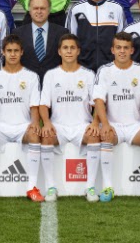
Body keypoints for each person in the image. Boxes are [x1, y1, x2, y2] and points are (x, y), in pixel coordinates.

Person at [0, 35, 44, 203]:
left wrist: (35, 123)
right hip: (0, 127)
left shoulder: (32, 77)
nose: (12, 54)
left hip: (23, 126)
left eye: (16, 51)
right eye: (9, 51)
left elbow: (34, 106)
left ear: (22, 52)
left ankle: (32, 188)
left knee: (35, 133)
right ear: (2, 53)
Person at [93, 32, 140, 203]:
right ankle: (107, 187)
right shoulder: (104, 71)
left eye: (126, 48)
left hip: (135, 125)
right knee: (105, 136)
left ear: (132, 50)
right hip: (113, 125)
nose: (122, 51)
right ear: (112, 50)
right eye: (118, 47)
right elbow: (99, 101)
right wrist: (105, 124)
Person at [38, 33, 100, 202]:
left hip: (82, 125)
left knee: (94, 135)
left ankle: (90, 188)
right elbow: (43, 105)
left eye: (72, 48)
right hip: (58, 126)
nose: (69, 51)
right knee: (46, 136)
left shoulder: (88, 75)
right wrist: (47, 123)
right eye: (65, 48)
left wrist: (95, 122)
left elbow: (98, 103)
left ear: (78, 51)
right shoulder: (51, 75)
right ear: (59, 51)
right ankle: (51, 187)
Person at [67, 0, 126, 72]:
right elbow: (69, 41)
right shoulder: (76, 9)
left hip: (110, 69)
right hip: (83, 69)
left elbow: (123, 42)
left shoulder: (117, 9)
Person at [12, 0, 68, 80]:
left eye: (42, 8)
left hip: (54, 83)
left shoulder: (62, 33)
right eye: (35, 8)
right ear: (30, 11)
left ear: (49, 10)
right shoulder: (17, 34)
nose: (39, 11)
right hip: (25, 83)